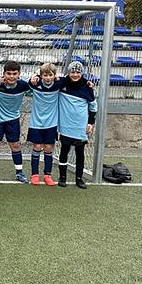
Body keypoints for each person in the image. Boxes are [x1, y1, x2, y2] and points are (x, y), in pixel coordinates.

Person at [0, 61, 32, 184]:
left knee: (15, 145)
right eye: (9, 73)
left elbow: (38, 86)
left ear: (19, 74)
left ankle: (19, 173)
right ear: (4, 74)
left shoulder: (23, 86)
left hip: (13, 120)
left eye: (14, 74)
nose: (11, 76)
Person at [58, 61, 97, 189]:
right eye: (72, 72)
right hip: (65, 125)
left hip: (80, 126)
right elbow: (49, 78)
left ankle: (79, 178)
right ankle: (62, 176)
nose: (75, 75)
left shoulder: (87, 87)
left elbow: (93, 106)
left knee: (80, 152)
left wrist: (91, 122)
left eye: (78, 72)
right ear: (68, 73)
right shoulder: (62, 83)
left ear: (82, 73)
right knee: (64, 150)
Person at [26, 63, 63, 186]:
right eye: (45, 75)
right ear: (41, 76)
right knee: (37, 146)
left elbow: (71, 80)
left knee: (48, 148)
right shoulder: (35, 84)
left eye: (50, 75)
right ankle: (34, 174)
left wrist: (88, 83)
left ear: (54, 75)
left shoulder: (58, 84)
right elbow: (27, 83)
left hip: (51, 123)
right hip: (36, 123)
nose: (47, 78)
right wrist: (34, 77)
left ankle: (47, 175)